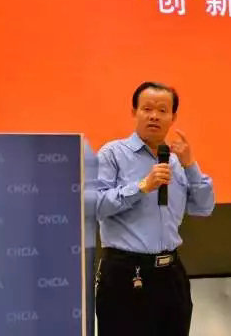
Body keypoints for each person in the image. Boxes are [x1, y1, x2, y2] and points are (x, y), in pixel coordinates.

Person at [95, 81, 215, 336]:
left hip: (171, 275)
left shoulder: (177, 162)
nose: (154, 116)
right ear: (134, 112)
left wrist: (191, 164)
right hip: (126, 274)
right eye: (147, 109)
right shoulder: (112, 154)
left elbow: (204, 208)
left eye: (162, 110)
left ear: (173, 117)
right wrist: (142, 186)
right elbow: (97, 206)